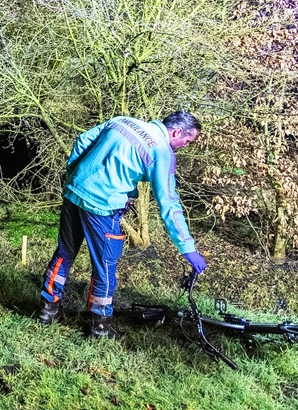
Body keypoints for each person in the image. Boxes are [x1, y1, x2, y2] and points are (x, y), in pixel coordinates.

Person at [37, 111, 206, 339]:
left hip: (75, 191)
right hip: (102, 208)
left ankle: (47, 312)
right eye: (188, 141)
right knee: (105, 268)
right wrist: (187, 247)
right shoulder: (161, 153)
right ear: (177, 132)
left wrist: (74, 176)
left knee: (64, 253)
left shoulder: (122, 121)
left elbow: (83, 141)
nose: (186, 146)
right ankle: (100, 329)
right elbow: (169, 204)